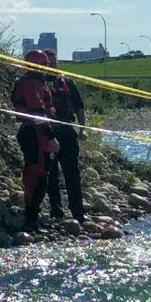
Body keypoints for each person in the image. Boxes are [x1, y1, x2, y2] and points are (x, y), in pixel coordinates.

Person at [10, 48, 59, 232]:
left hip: (34, 133)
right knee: (37, 175)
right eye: (45, 65)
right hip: (34, 134)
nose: (47, 69)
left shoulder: (35, 82)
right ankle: (31, 218)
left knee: (39, 173)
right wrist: (51, 137)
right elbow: (38, 114)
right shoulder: (32, 84)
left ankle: (32, 215)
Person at [43, 49, 88, 222]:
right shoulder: (39, 83)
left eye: (53, 61)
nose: (51, 64)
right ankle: (57, 212)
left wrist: (82, 129)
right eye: (48, 61)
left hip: (68, 132)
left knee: (73, 174)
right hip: (48, 133)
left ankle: (78, 213)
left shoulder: (67, 82)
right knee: (51, 174)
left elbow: (79, 107)